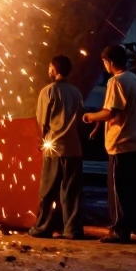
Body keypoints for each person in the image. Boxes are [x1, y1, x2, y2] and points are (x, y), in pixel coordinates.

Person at [82, 44, 136, 244]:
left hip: (121, 144)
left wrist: (89, 117)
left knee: (119, 191)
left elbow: (111, 111)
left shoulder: (116, 81)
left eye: (104, 62)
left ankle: (119, 231)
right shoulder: (134, 79)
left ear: (109, 62)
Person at [29, 55, 84, 239]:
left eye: (50, 66)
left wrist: (41, 141)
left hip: (54, 148)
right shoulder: (76, 92)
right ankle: (73, 230)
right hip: (74, 148)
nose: (48, 69)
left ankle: (43, 227)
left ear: (55, 69)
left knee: (47, 191)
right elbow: (81, 119)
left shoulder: (48, 91)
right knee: (72, 192)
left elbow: (42, 122)